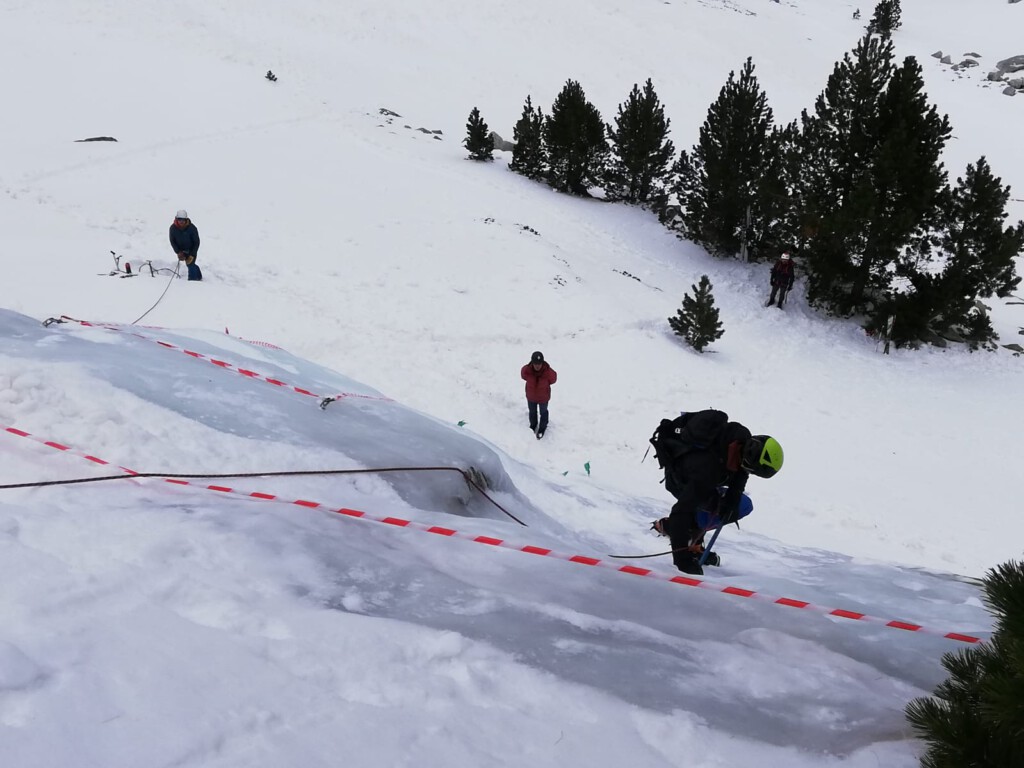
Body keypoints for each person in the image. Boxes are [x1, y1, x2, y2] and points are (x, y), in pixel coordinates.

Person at [650, 409, 783, 575]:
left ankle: (688, 532)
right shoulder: (707, 470)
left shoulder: (740, 438)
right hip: (680, 480)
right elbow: (680, 511)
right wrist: (683, 561)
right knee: (714, 505)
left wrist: (732, 500)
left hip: (694, 472)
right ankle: (685, 535)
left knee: (737, 505)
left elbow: (740, 471)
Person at [520, 350, 557, 439]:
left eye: (539, 364)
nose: (537, 366)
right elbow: (523, 375)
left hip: (543, 398)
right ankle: (533, 426)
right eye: (535, 364)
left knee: (543, 412)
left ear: (542, 363)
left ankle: (542, 428)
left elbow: (553, 379)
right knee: (532, 412)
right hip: (531, 397)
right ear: (532, 363)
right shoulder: (527, 370)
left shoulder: (548, 372)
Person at [169, 209, 203, 281]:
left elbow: (196, 242)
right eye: (179, 219)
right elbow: (172, 241)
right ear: (176, 219)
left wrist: (192, 254)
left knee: (190, 264)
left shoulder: (192, 228)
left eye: (183, 220)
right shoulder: (172, 228)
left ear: (186, 219)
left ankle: (192, 282)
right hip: (181, 250)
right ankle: (199, 276)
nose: (181, 221)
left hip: (191, 250)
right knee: (191, 265)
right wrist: (178, 252)